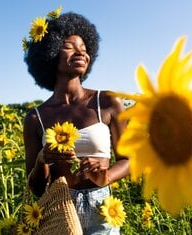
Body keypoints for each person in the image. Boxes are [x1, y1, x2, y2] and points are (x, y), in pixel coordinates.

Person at [23, 9, 130, 235]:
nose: (81, 53)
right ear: (49, 53)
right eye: (69, 47)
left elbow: (129, 159)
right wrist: (42, 160)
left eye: (84, 48)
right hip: (59, 208)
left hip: (101, 206)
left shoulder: (107, 102)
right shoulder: (35, 118)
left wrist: (107, 175)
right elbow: (35, 188)